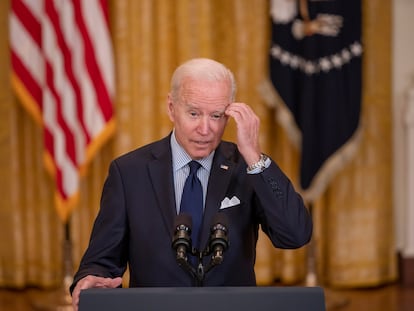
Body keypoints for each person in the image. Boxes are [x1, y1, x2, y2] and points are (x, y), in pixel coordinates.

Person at [70, 58, 313, 310]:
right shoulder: (129, 172)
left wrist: (254, 156)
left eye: (216, 115)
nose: (205, 129)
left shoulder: (246, 167)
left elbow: (294, 234)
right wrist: (91, 282)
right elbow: (101, 260)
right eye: (194, 113)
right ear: (171, 107)